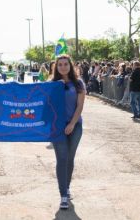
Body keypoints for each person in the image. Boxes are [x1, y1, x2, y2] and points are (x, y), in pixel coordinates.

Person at [51, 54, 86, 210]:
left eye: (66, 64)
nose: (63, 67)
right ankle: (63, 195)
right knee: (62, 158)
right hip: (57, 128)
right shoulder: (51, 84)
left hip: (75, 126)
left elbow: (79, 106)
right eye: (60, 65)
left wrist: (72, 123)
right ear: (56, 67)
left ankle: (67, 186)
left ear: (70, 66)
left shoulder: (78, 84)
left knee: (70, 158)